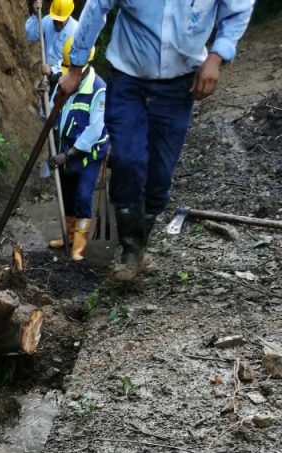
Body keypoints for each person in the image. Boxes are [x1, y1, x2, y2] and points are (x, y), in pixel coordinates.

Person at [58, 0, 254, 280]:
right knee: (127, 160)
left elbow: (239, 8)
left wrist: (217, 55)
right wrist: (76, 67)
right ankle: (130, 252)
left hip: (180, 85)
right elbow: (97, 6)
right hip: (128, 80)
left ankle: (139, 247)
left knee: (159, 175)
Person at [46, 37, 109, 261]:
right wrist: (43, 95)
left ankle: (79, 248)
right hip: (66, 149)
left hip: (87, 153)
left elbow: (95, 130)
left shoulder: (99, 89)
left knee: (82, 195)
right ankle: (69, 236)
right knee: (68, 193)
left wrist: (68, 154)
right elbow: (50, 112)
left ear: (83, 67)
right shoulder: (66, 83)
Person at [25, 0, 78, 75]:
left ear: (68, 15)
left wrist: (53, 69)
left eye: (60, 21)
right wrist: (35, 14)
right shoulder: (48, 20)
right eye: (55, 20)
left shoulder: (76, 31)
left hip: (64, 77)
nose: (57, 23)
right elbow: (31, 35)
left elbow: (73, 59)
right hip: (47, 75)